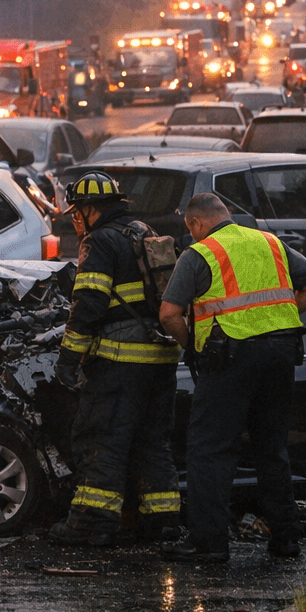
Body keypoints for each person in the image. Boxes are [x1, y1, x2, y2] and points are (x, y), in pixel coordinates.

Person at [158, 193, 306, 562]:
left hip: (230, 357)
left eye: (191, 229)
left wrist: (194, 346)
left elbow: (169, 313)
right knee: (272, 448)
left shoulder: (199, 253)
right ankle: (286, 539)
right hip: (282, 353)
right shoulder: (269, 242)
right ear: (228, 215)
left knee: (210, 449)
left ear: (196, 224)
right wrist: (280, 316)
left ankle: (209, 544)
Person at [48, 173, 182, 547]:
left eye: (77, 213)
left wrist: (68, 360)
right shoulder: (143, 232)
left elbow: (88, 304)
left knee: (103, 440)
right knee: (153, 443)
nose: (76, 221)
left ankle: (91, 524)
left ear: (92, 210)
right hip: (162, 358)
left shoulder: (99, 241)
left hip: (119, 362)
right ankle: (163, 522)